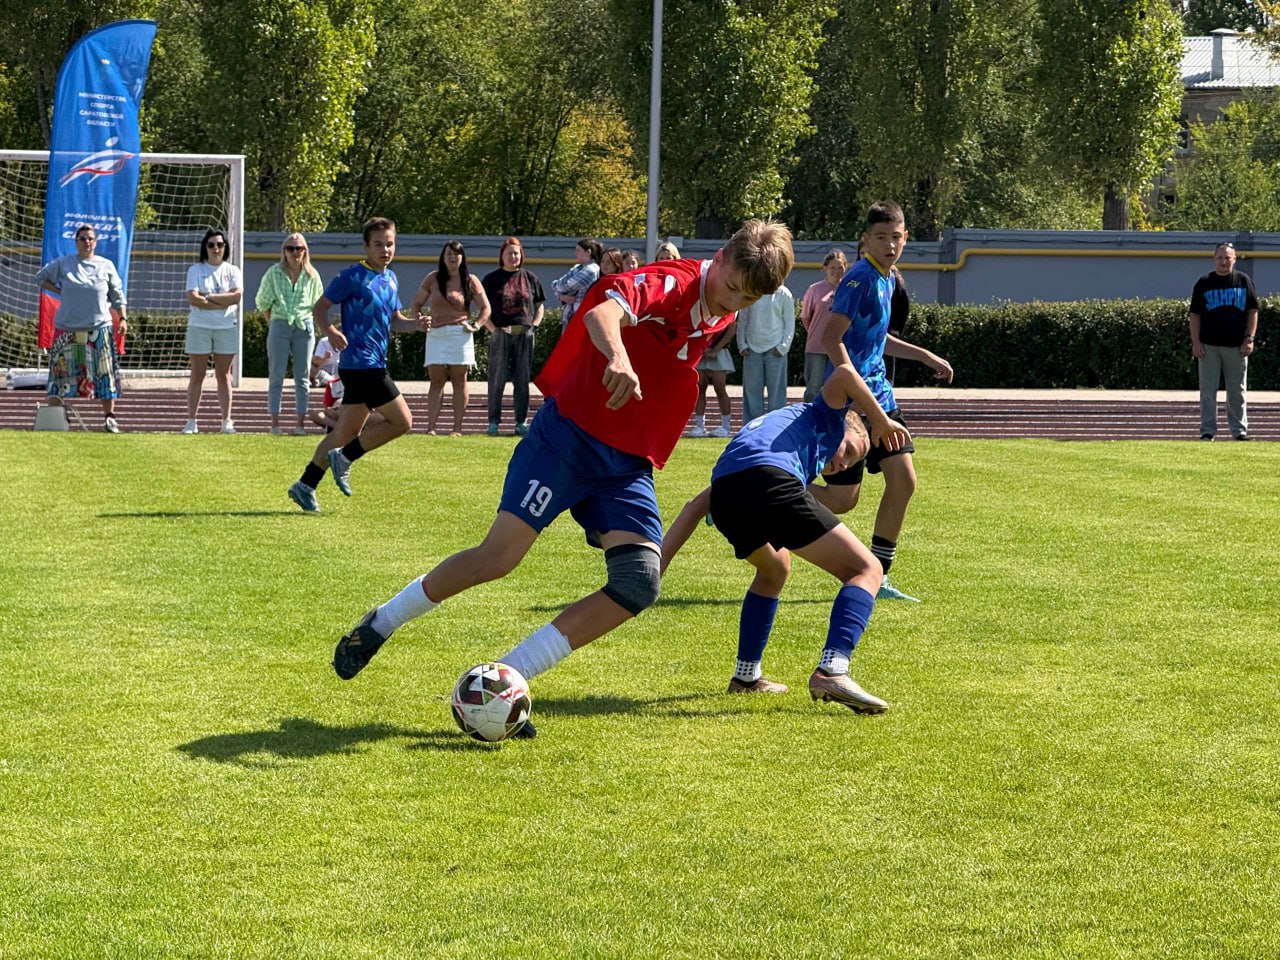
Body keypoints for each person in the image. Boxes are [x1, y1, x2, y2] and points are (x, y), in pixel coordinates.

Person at [331, 219, 795, 739]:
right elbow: (602, 311)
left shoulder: (721, 308)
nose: (734, 301)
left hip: (625, 464)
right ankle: (381, 622)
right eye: (732, 286)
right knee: (497, 558)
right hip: (567, 440)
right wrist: (617, 356)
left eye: (747, 298)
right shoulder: (676, 281)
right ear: (723, 256)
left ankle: (508, 679)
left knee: (639, 583)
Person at [661, 363, 910, 711]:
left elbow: (695, 506)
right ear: (844, 423)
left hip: (728, 494)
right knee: (867, 569)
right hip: (770, 481)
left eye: (849, 465)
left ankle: (746, 676)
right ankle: (833, 669)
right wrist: (880, 420)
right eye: (850, 452)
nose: (842, 466)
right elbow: (843, 374)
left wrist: (654, 571)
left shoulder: (782, 433)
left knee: (774, 568)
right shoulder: (826, 415)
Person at [821, 201, 953, 603]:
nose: (890, 244)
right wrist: (852, 391)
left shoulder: (888, 278)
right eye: (881, 237)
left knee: (904, 479)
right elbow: (831, 339)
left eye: (896, 237)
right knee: (843, 501)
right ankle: (763, 495)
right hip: (852, 403)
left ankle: (878, 575)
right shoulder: (859, 278)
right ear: (866, 240)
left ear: (905, 237)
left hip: (880, 394)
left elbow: (877, 340)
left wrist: (925, 355)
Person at [287, 217, 425, 513]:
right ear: (366, 246)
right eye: (378, 244)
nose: (385, 249)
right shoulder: (352, 276)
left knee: (343, 432)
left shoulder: (391, 279)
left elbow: (395, 321)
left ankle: (305, 485)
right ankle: (346, 457)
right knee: (403, 421)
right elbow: (320, 307)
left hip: (370, 364)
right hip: (363, 365)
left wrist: (416, 325)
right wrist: (331, 331)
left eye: (389, 244)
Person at [35, 223, 128, 433]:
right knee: (61, 375)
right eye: (83, 239)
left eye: (91, 239)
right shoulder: (64, 263)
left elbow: (117, 295)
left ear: (96, 242)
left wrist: (122, 318)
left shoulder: (106, 265)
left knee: (105, 375)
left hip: (99, 329)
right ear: (76, 242)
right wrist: (59, 290)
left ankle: (109, 418)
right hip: (67, 329)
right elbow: (40, 278)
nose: (87, 242)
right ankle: (56, 418)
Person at [411, 241, 491, 436]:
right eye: (448, 253)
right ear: (443, 256)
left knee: (459, 380)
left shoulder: (471, 280)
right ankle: (431, 427)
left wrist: (476, 325)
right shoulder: (432, 278)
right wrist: (421, 319)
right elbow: (416, 305)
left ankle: (457, 428)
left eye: (456, 253)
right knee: (436, 380)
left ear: (462, 257)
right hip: (436, 333)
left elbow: (485, 308)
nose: (452, 257)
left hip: (460, 334)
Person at [1190, 242, 1258, 441]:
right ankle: (1207, 431)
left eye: (1227, 258)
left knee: (1237, 391)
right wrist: (1195, 342)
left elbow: (1252, 312)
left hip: (1237, 346)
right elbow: (1195, 315)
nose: (1223, 261)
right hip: (1209, 346)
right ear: (1214, 259)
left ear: (1234, 259)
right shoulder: (1204, 283)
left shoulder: (1243, 281)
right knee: (1208, 392)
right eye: (1220, 257)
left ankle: (1239, 431)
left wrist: (1249, 338)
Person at [256, 233, 323, 435]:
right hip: (280, 323)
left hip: (304, 326)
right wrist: (275, 321)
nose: (295, 252)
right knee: (276, 374)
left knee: (302, 376)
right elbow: (262, 302)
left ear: (305, 251)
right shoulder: (273, 273)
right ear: (284, 251)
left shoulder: (312, 275)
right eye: (291, 248)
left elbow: (317, 304)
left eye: (299, 248)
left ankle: (300, 424)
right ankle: (275, 423)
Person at [480, 237, 546, 436]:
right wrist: (492, 328)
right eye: (509, 252)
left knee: (522, 378)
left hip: (524, 334)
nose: (513, 256)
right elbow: (482, 307)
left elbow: (540, 305)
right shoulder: (491, 279)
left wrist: (534, 324)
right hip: (501, 332)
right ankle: (493, 422)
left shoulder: (530, 277)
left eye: (516, 253)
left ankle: (520, 422)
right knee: (497, 378)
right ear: (502, 255)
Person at [181, 229, 242, 434]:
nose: (216, 248)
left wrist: (208, 298)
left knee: (223, 375)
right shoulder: (195, 270)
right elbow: (193, 298)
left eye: (220, 244)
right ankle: (191, 421)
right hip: (200, 327)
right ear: (205, 248)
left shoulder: (233, 271)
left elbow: (236, 297)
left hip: (226, 327)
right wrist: (220, 300)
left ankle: (226, 421)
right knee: (197, 374)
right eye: (211, 245)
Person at [736, 282, 795, 423]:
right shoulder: (750, 290)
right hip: (751, 349)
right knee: (752, 392)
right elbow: (742, 320)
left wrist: (783, 347)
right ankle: (751, 426)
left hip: (775, 350)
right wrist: (742, 344)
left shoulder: (784, 293)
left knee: (777, 393)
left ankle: (775, 425)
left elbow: (789, 323)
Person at [800, 249, 848, 402]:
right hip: (817, 347)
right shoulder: (815, 289)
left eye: (840, 267)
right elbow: (806, 317)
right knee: (814, 388)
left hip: (841, 347)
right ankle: (809, 421)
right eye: (832, 267)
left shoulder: (849, 289)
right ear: (825, 269)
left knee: (839, 387)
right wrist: (817, 334)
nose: (836, 271)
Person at [689, 319, 736, 437]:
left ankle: (726, 427)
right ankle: (700, 427)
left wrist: (716, 349)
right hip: (701, 353)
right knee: (699, 389)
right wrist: (700, 348)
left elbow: (731, 328)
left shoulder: (728, 311)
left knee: (720, 389)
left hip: (719, 353)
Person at [552, 238, 602, 327]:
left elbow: (565, 286)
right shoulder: (577, 268)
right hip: (571, 317)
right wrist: (561, 296)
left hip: (581, 318)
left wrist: (557, 287)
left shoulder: (591, 270)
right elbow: (558, 285)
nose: (576, 253)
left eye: (578, 250)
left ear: (588, 252)